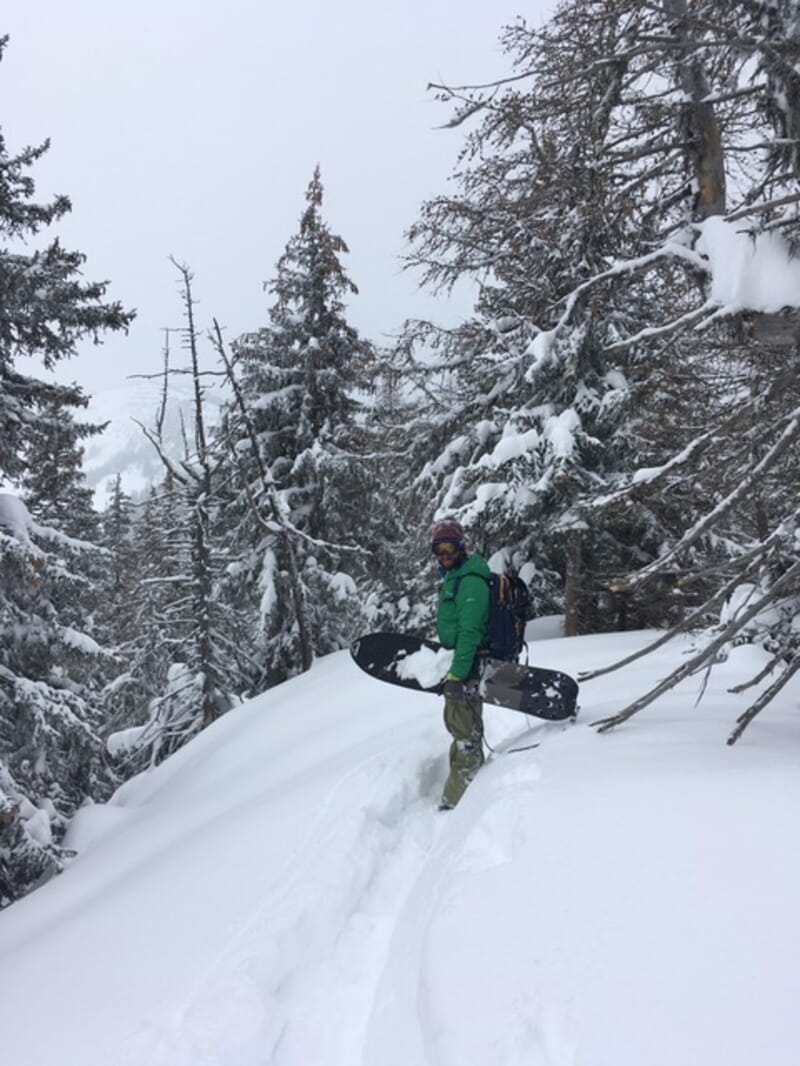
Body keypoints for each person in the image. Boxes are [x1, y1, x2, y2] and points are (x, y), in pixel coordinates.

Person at [431, 518, 491, 809]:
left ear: (461, 547)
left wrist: (457, 673)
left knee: (464, 732)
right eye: (438, 549)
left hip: (467, 668)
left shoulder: (470, 581)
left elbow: (470, 632)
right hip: (463, 665)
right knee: (463, 731)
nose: (444, 555)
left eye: (450, 548)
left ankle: (458, 803)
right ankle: (466, 794)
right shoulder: (458, 577)